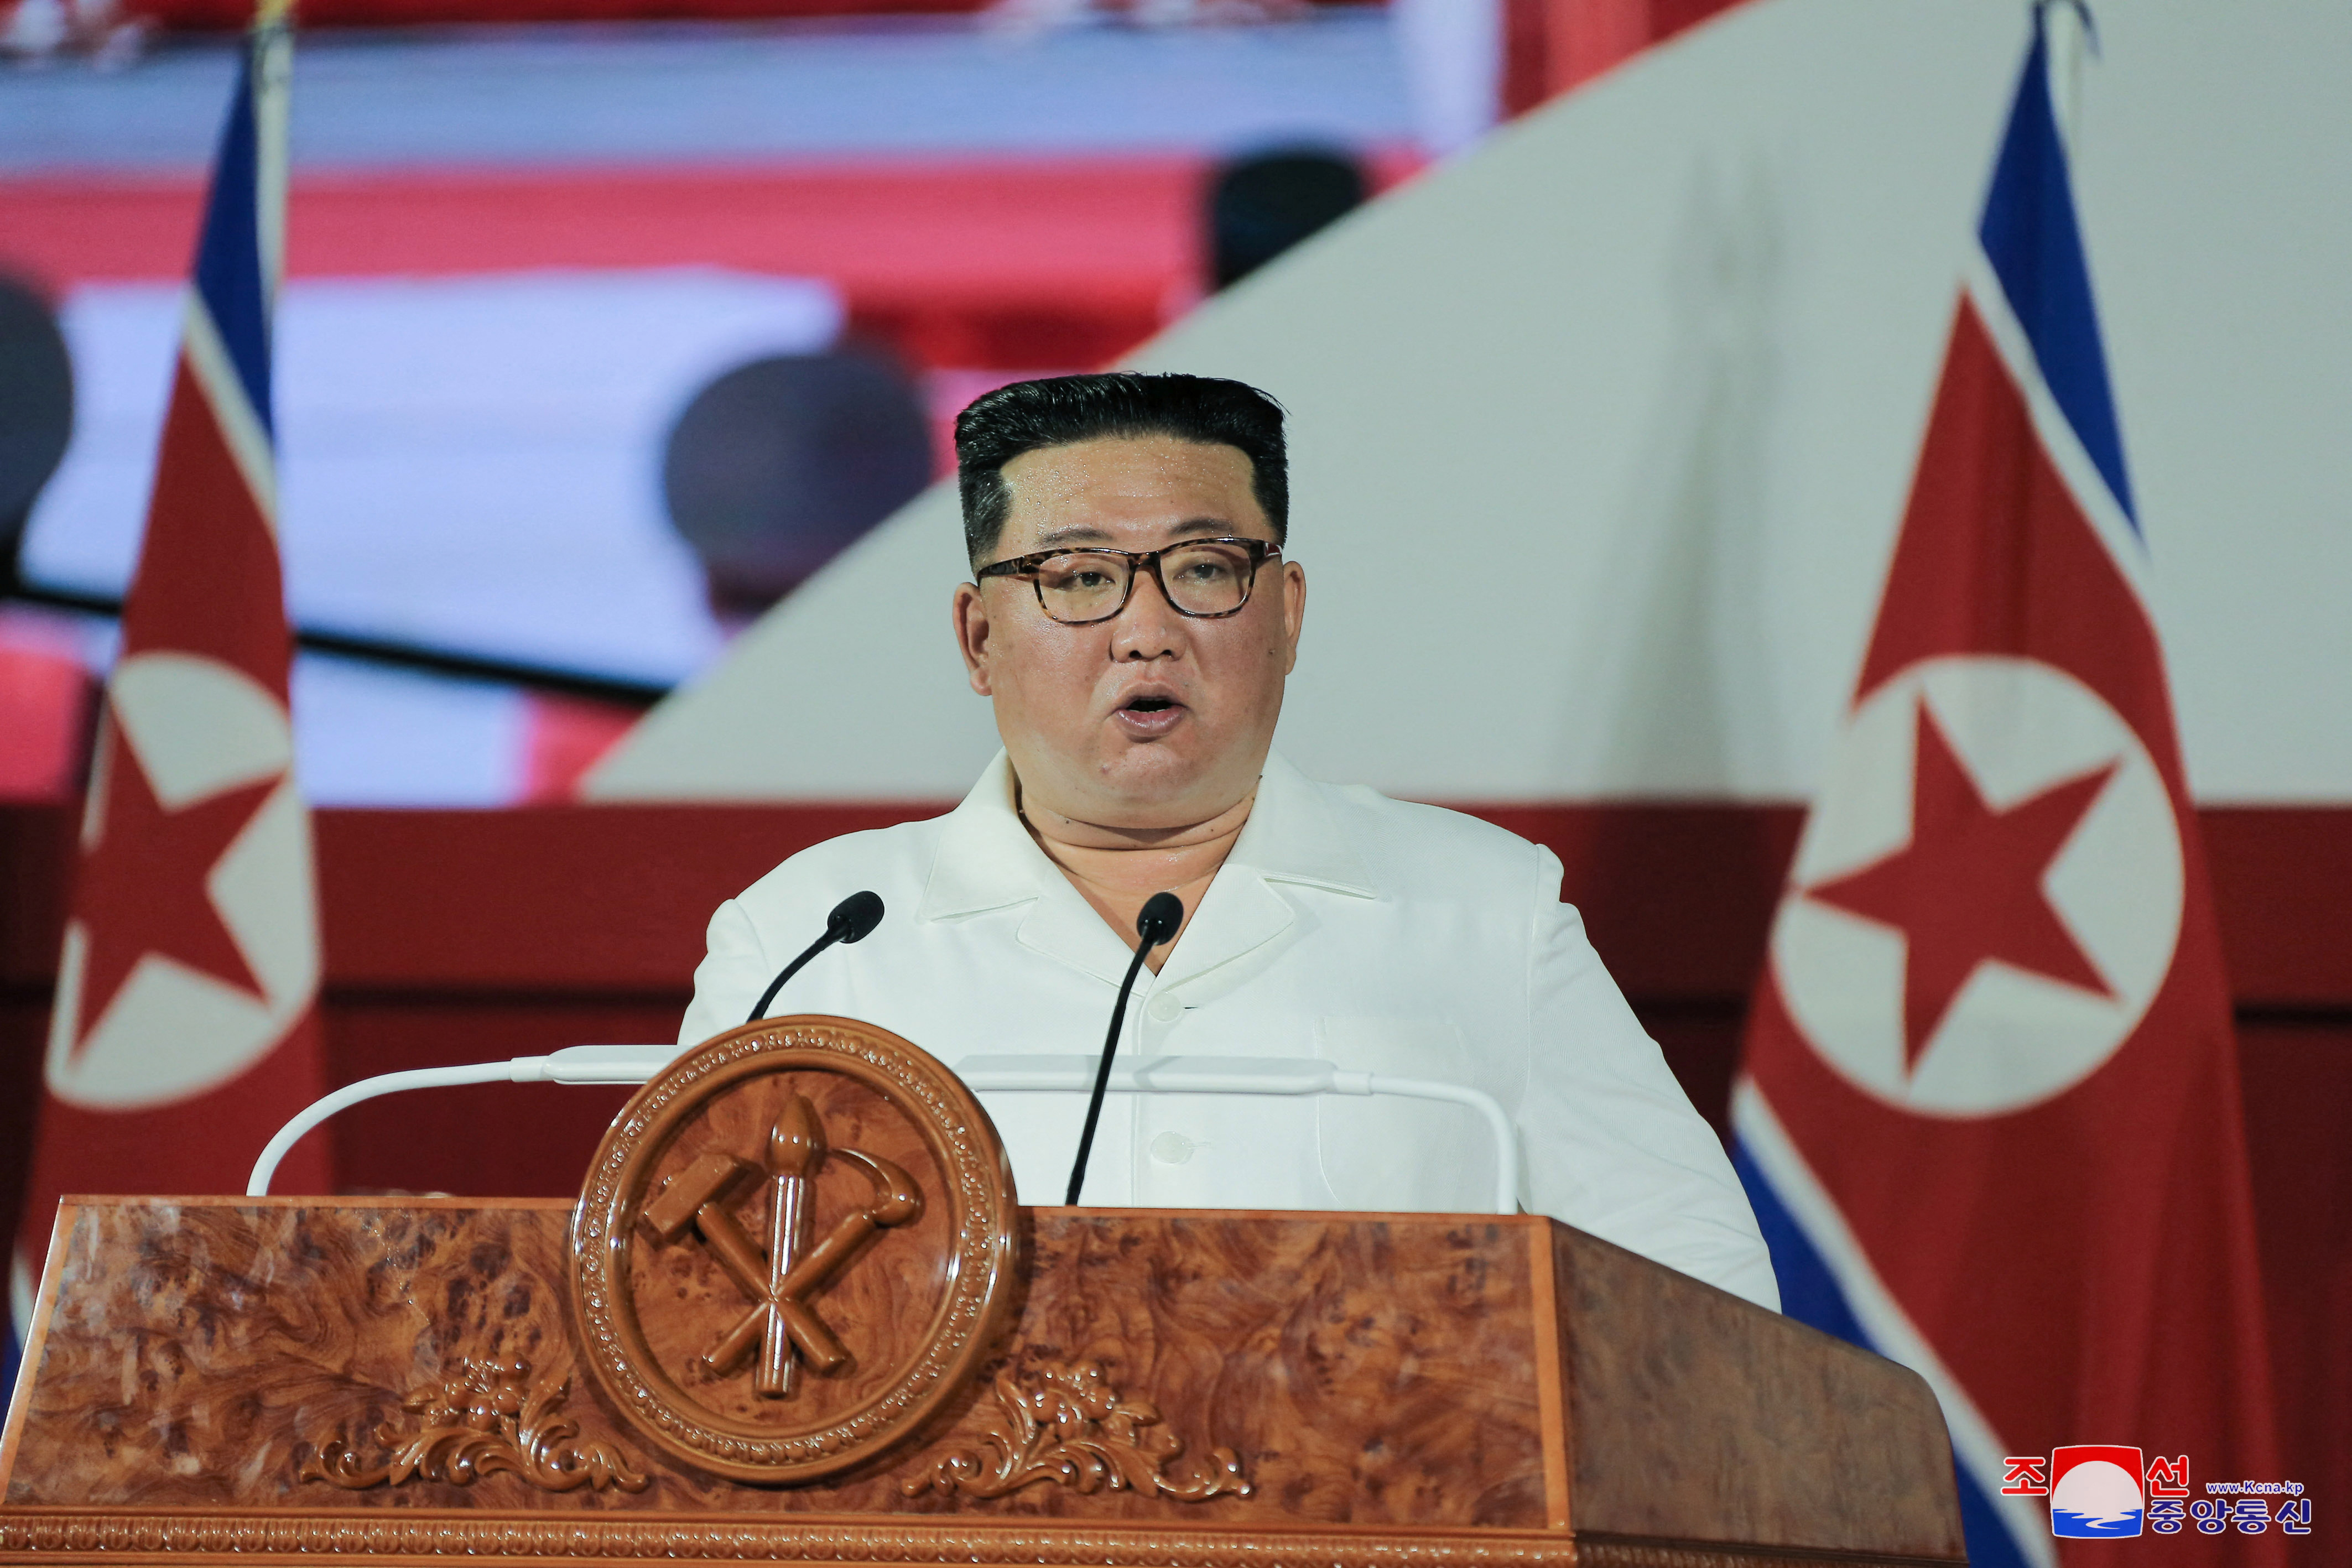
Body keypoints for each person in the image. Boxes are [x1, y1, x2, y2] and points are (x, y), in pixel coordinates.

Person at [680, 373, 1779, 1311]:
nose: (1146, 629)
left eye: (1203, 570)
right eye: (1076, 579)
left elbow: (1700, 1297)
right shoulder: (811, 939)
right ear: (978, 636)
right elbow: (675, 1294)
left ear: (1286, 612)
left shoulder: (1483, 909)